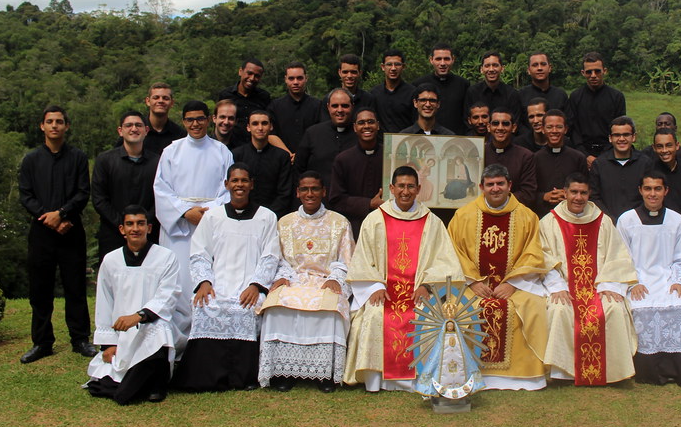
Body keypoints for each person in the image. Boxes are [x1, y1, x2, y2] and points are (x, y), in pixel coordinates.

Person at [344, 166, 463, 391]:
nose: (405, 191)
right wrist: (374, 286)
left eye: (410, 186)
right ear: (391, 188)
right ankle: (377, 381)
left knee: (426, 315)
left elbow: (445, 260)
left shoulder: (432, 222)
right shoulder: (375, 219)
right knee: (375, 315)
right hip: (384, 290)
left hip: (418, 291)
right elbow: (363, 258)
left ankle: (421, 379)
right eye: (401, 186)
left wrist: (428, 286)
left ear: (419, 189)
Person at [172, 164, 280, 391]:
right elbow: (199, 252)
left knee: (247, 309)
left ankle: (243, 377)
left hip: (249, 285)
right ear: (226, 185)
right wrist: (204, 282)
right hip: (218, 284)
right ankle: (209, 377)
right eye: (234, 181)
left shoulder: (266, 217)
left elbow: (270, 256)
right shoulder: (213, 216)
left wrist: (256, 286)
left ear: (252, 184)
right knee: (205, 306)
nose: (239, 185)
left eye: (244, 181)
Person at [448, 164, 551, 390]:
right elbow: (453, 252)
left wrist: (512, 283)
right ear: (481, 187)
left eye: (500, 184)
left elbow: (533, 253)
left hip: (515, 285)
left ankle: (526, 376)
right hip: (473, 285)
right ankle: (465, 372)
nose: (495, 189)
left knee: (534, 308)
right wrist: (473, 281)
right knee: (455, 310)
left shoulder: (527, 216)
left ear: (509, 185)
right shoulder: (463, 216)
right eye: (490, 184)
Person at [258, 171, 355, 392]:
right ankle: (284, 372)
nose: (310, 194)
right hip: (294, 279)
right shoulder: (285, 222)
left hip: (325, 280)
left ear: (324, 192)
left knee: (332, 305)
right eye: (305, 189)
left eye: (314, 189)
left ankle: (325, 374)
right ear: (298, 193)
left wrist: (336, 278)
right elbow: (279, 258)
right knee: (276, 304)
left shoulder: (339, 222)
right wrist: (283, 276)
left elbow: (346, 259)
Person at [540, 174, 638, 385]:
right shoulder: (549, 222)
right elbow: (543, 258)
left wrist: (609, 285)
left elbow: (617, 257)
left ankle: (613, 372)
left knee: (614, 307)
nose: (578, 197)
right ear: (564, 193)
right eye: (574, 192)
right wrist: (557, 287)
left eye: (583, 193)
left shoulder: (603, 221)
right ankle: (563, 372)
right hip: (564, 286)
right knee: (559, 309)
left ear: (589, 194)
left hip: (598, 286)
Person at [18, 105, 95, 363]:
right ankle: (42, 343)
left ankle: (80, 339)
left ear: (66, 126)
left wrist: (62, 214)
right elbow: (26, 195)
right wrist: (49, 218)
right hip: (41, 234)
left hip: (71, 231)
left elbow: (83, 192)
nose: (54, 126)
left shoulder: (78, 158)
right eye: (49, 121)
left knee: (75, 288)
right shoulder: (31, 160)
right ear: (42, 126)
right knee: (40, 290)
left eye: (59, 122)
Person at [86, 206, 184, 404]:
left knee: (160, 333)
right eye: (130, 224)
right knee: (109, 385)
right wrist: (109, 343)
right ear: (122, 229)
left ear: (149, 228)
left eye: (140, 223)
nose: (135, 229)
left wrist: (139, 316)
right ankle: (142, 383)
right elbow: (105, 301)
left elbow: (169, 295)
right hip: (122, 332)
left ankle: (156, 384)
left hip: (154, 325)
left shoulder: (165, 257)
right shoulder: (111, 261)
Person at [152, 101, 234, 318]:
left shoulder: (221, 151)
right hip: (179, 228)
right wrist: (185, 212)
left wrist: (208, 214)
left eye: (200, 119)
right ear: (183, 121)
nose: (195, 124)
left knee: (209, 276)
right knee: (177, 278)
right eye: (190, 119)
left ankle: (207, 331)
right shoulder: (171, 151)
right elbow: (161, 188)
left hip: (210, 225)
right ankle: (177, 334)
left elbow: (227, 189)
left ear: (208, 120)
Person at [616, 170, 681, 387]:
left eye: (657, 189)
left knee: (678, 304)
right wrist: (633, 283)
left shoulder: (676, 220)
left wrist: (679, 280)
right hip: (639, 279)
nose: (653, 194)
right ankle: (646, 372)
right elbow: (621, 257)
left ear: (666, 191)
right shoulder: (627, 219)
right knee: (641, 307)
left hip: (667, 278)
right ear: (640, 190)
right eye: (648, 188)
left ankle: (676, 371)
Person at [91, 110, 159, 268]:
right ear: (120, 131)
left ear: (146, 130)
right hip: (113, 232)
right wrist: (124, 225)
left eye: (138, 125)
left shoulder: (158, 161)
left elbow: (162, 197)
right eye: (128, 125)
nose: (134, 128)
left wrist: (142, 224)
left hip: (149, 233)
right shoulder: (105, 160)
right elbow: (99, 199)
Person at [328, 107, 386, 238]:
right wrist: (369, 203)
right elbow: (336, 199)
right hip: (355, 227)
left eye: (371, 122)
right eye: (361, 123)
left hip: (386, 225)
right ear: (354, 128)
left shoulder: (390, 156)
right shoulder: (343, 159)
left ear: (378, 125)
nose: (366, 126)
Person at [568, 52, 626, 168]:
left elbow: (620, 129)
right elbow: (574, 129)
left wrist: (604, 155)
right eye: (589, 72)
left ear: (604, 71)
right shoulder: (575, 97)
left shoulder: (616, 97)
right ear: (583, 73)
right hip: (582, 154)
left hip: (610, 152)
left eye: (597, 71)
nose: (593, 75)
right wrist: (585, 155)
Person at [588, 116, 653, 219]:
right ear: (610, 138)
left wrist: (635, 218)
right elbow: (594, 197)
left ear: (634, 137)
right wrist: (609, 219)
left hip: (639, 222)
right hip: (607, 224)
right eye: (617, 135)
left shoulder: (645, 163)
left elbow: (650, 193)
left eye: (626, 135)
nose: (621, 139)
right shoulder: (599, 164)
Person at [232, 110, 292, 218]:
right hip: (242, 215)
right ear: (248, 127)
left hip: (273, 216)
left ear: (271, 127)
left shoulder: (282, 157)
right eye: (255, 124)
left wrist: (268, 216)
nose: (260, 128)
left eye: (264, 123)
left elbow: (285, 193)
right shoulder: (237, 155)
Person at [295, 89, 357, 193]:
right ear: (328, 107)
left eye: (345, 106)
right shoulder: (312, 133)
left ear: (352, 106)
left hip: (351, 199)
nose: (340, 110)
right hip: (319, 201)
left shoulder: (360, 135)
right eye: (335, 106)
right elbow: (298, 170)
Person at [533, 110, 589, 218]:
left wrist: (569, 194)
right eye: (549, 127)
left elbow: (586, 188)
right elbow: (530, 191)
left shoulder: (578, 158)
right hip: (543, 214)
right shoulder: (535, 158)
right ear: (543, 129)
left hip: (573, 216)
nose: (554, 131)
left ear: (566, 129)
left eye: (559, 127)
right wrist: (544, 196)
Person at [483, 108, 537, 207]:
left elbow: (528, 193)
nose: (500, 127)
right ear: (488, 127)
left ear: (514, 127)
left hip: (514, 211)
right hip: (482, 209)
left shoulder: (525, 156)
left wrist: (498, 201)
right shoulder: (480, 152)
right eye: (495, 123)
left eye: (505, 123)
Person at [413, 43, 470, 134]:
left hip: (455, 139)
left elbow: (467, 117)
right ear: (431, 60)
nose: (442, 63)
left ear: (453, 60)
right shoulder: (418, 84)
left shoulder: (463, 85)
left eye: (446, 59)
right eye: (438, 59)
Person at [268, 61, 322, 154]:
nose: (295, 82)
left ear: (306, 78)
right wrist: (288, 154)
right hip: (282, 159)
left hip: (311, 158)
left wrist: (301, 155)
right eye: (291, 78)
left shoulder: (318, 105)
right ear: (285, 79)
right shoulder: (275, 106)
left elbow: (321, 134)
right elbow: (270, 134)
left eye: (299, 78)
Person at [215, 58, 272, 132]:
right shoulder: (226, 95)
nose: (252, 78)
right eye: (249, 73)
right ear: (240, 71)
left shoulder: (264, 97)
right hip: (230, 141)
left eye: (257, 76)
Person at [464, 51, 521, 125]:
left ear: (502, 68)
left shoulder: (512, 94)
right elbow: (467, 122)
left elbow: (515, 123)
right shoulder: (472, 92)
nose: (491, 69)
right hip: (477, 136)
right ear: (481, 69)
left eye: (495, 65)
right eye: (487, 66)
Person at [369, 49, 415, 133]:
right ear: (383, 67)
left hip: (405, 141)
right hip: (380, 143)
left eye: (397, 64)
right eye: (389, 64)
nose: (393, 68)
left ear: (403, 67)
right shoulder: (374, 93)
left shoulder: (412, 93)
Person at [518, 51, 568, 117]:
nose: (539, 68)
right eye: (535, 65)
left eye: (543, 64)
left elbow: (567, 122)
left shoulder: (561, 95)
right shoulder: (520, 96)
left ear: (550, 68)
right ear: (528, 70)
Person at [141, 82, 186, 155]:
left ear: (172, 103)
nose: (160, 101)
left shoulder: (180, 135)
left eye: (165, 98)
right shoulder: (136, 131)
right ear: (148, 101)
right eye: (156, 98)